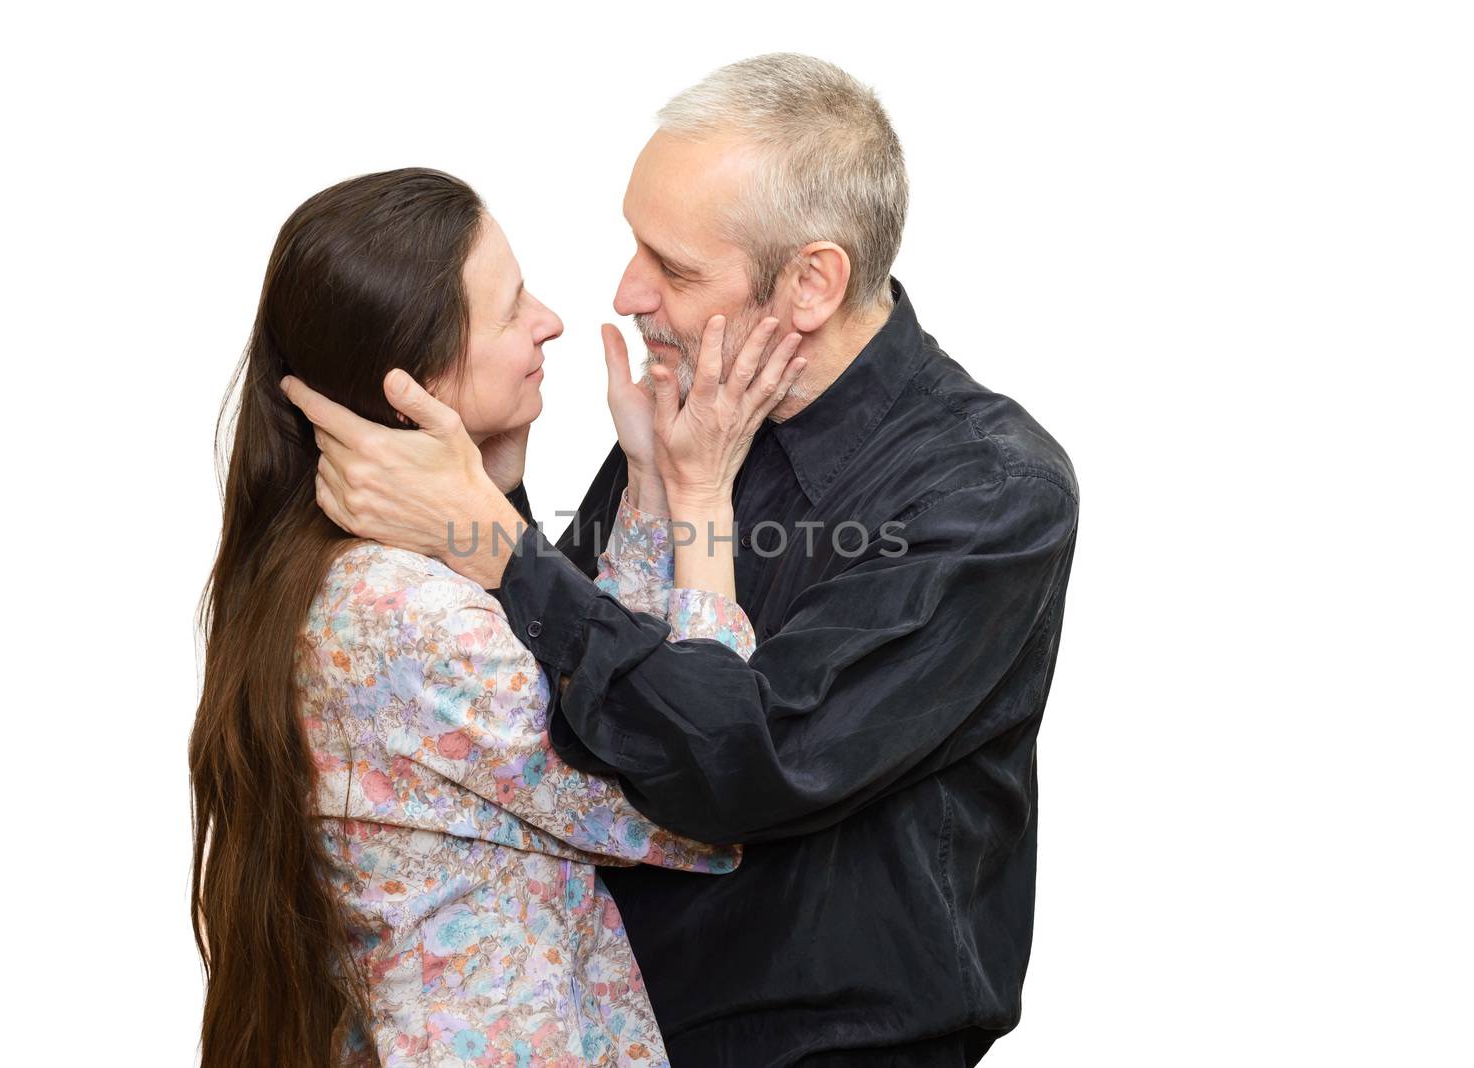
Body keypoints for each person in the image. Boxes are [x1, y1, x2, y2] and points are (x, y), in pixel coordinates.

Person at [285, 55, 1080, 1066]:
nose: (625, 294)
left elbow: (737, 767)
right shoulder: (687, 412)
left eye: (675, 268)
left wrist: (490, 533)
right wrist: (505, 489)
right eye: (634, 246)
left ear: (809, 282)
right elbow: (565, 689)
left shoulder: (986, 497)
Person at [189, 167, 806, 1068]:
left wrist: (637, 480)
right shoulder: (399, 613)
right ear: (417, 379)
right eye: (511, 306)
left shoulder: (366, 573)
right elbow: (692, 792)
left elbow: (604, 702)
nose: (550, 319)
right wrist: (703, 497)